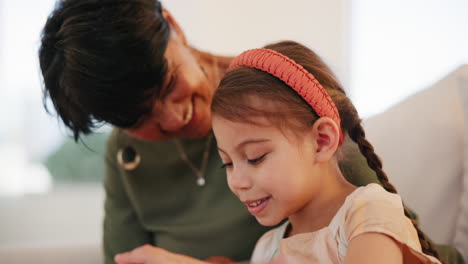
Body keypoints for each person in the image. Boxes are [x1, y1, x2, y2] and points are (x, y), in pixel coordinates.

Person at [38, 1, 463, 264]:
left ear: (174, 26)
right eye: (138, 120)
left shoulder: (282, 101)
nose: (172, 118)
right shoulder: (125, 159)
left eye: (168, 85)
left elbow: (397, 231)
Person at [114, 41, 446, 264]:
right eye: (227, 163)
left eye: (255, 157)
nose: (238, 181)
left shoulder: (367, 215)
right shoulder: (268, 249)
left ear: (321, 141)